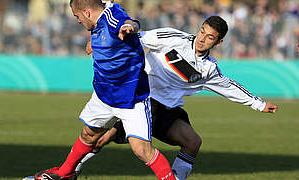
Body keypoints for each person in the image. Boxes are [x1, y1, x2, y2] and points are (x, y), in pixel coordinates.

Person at [75, 15, 278, 180]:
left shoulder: (208, 70)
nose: (202, 38)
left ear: (219, 42)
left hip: (166, 111)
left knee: (192, 142)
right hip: (140, 99)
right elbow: (136, 36)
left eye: (210, 37)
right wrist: (101, 43)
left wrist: (259, 104)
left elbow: (229, 87)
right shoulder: (173, 38)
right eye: (202, 32)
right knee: (102, 138)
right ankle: (71, 171)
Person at [33, 0, 177, 180]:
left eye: (77, 16)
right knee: (88, 134)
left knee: (142, 150)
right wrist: (93, 39)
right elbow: (102, 16)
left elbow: (130, 22)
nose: (77, 20)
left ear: (86, 12)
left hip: (130, 99)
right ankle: (65, 174)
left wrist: (128, 27)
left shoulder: (112, 17)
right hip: (103, 95)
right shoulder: (99, 16)